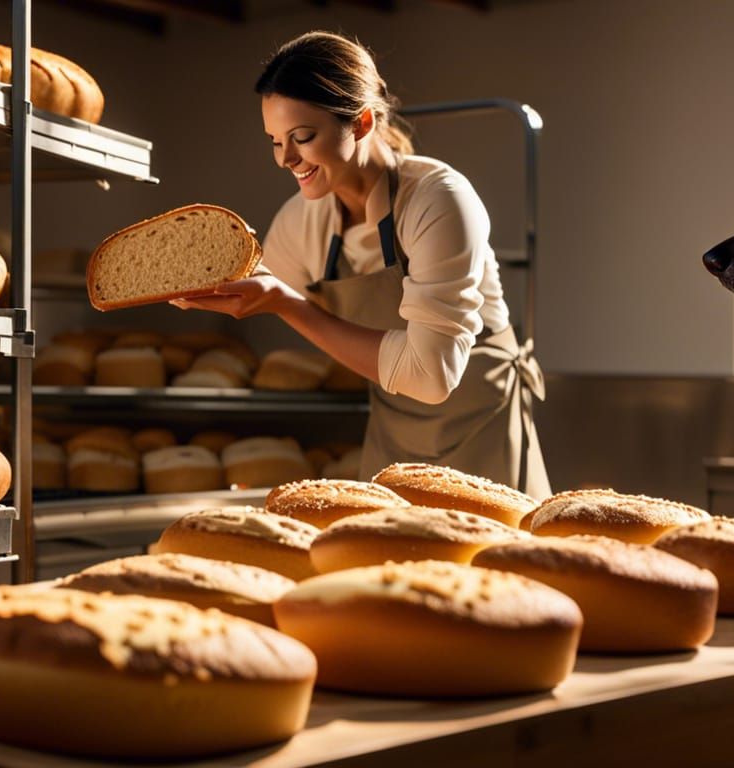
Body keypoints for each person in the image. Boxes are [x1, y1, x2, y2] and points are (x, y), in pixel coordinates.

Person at [172, 31, 549, 497]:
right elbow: (255, 282)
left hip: (479, 431)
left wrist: (290, 306)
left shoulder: (437, 200)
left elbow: (431, 376)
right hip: (393, 436)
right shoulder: (302, 220)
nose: (286, 159)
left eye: (302, 137)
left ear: (363, 122)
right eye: (274, 141)